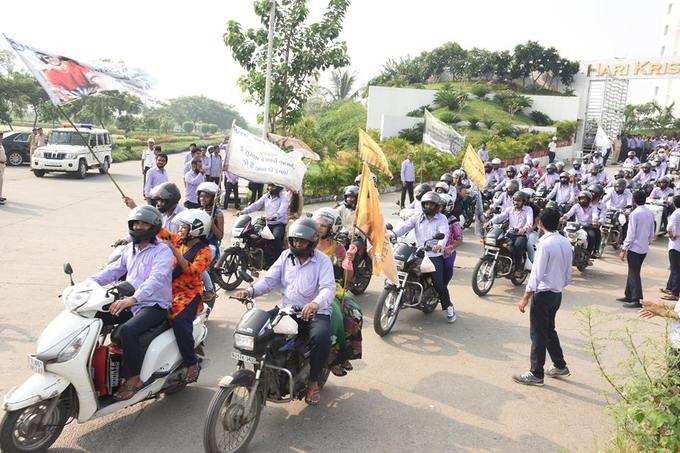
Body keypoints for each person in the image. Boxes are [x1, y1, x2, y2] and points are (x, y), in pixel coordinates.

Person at [234, 218, 335, 405]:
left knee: (320, 338)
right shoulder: (285, 256)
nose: (297, 244)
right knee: (258, 331)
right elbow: (269, 280)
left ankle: (313, 383)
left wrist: (315, 304)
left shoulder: (323, 261)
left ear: (312, 242)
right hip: (287, 308)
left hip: (314, 312)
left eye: (301, 241)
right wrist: (250, 291)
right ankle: (265, 371)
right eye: (294, 240)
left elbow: (328, 288)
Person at [89, 206, 174, 400]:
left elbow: (156, 279)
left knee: (128, 330)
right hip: (130, 301)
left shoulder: (162, 252)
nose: (137, 227)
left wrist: (133, 299)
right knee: (95, 314)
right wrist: (87, 283)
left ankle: (134, 378)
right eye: (135, 223)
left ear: (153, 227)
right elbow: (112, 271)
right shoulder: (130, 249)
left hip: (154, 305)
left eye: (143, 224)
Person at [513, 207, 572, 386]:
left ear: (540, 223)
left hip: (544, 293)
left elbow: (536, 274)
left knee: (538, 333)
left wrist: (525, 297)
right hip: (557, 293)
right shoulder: (565, 242)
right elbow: (568, 273)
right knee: (549, 330)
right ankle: (560, 365)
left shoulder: (544, 244)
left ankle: (536, 373)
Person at [158, 209, 213, 383]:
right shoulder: (179, 240)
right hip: (168, 289)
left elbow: (191, 271)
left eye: (184, 227)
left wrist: (175, 251)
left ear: (196, 229)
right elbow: (161, 232)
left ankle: (191, 362)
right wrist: (136, 210)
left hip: (189, 293)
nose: (180, 229)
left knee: (179, 319)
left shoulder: (205, 251)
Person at [392, 192, 456, 322]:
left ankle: (448, 307)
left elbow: (444, 232)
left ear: (437, 206)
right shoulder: (418, 216)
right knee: (400, 270)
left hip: (434, 254)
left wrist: (439, 245)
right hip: (418, 251)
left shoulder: (442, 218)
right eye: (426, 204)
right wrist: (392, 234)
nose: (428, 206)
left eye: (431, 204)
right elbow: (405, 226)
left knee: (439, 284)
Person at [617, 190, 656, 308]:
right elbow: (652, 231)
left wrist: (624, 249)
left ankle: (637, 299)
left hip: (634, 248)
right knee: (633, 271)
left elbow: (631, 234)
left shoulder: (635, 214)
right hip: (643, 248)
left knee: (634, 273)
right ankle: (628, 295)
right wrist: (648, 242)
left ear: (634, 200)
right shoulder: (649, 212)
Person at [240, 183, 288, 266]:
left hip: (278, 224)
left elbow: (282, 209)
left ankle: (278, 261)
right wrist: (243, 211)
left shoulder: (283, 198)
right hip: (267, 223)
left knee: (275, 238)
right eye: (269, 185)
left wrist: (275, 216)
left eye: (273, 186)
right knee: (254, 236)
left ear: (278, 187)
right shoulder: (266, 196)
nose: (270, 188)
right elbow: (256, 205)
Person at [488, 191, 533, 277]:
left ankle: (518, 269)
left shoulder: (528, 209)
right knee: (497, 243)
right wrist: (490, 222)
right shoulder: (510, 209)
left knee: (517, 246)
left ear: (523, 201)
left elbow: (529, 222)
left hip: (521, 235)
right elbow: (500, 217)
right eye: (515, 200)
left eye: (519, 200)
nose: (516, 202)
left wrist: (524, 228)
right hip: (510, 233)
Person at [196, 182, 224, 303]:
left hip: (210, 246)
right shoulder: (198, 211)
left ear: (213, 198)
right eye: (201, 196)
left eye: (206, 196)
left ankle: (210, 290)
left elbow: (220, 236)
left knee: (199, 267)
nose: (203, 199)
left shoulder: (218, 214)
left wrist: (212, 224)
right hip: (196, 244)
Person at [561, 191, 599, 256]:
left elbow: (595, 214)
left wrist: (595, 220)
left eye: (585, 199)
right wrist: (564, 217)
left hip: (587, 227)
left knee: (592, 236)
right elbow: (569, 213)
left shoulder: (593, 207)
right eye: (581, 198)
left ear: (589, 200)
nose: (583, 200)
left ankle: (588, 254)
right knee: (564, 234)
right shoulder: (576, 206)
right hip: (576, 226)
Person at [661, 195, 680, 302]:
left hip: (675, 245)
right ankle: (670, 287)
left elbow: (669, 228)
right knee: (675, 268)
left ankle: (675, 293)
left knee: (675, 269)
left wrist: (672, 236)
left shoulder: (676, 213)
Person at [0, 132, 6, 205]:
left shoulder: (1, 145)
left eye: (2, 137)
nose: (1, 139)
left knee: (1, 182)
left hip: (2, 165)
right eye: (0, 137)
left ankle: (0, 196)